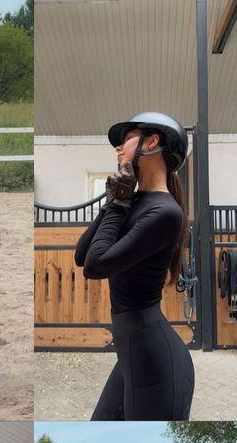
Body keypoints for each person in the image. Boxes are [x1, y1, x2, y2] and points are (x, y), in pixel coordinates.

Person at [75, 112, 195, 421]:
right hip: (132, 354)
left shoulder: (165, 212)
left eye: (126, 139)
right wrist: (114, 201)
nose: (118, 147)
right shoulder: (134, 199)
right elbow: (81, 254)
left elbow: (96, 266)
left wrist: (117, 204)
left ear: (152, 141)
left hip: (154, 358)